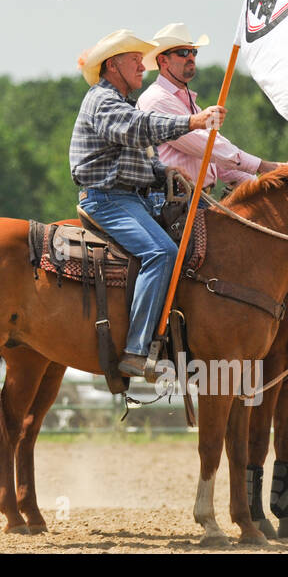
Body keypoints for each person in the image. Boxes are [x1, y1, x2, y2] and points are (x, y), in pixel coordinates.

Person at [69, 30, 225, 378]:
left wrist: (164, 172)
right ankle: (137, 350)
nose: (143, 66)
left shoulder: (117, 101)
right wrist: (193, 122)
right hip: (109, 200)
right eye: (135, 60)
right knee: (162, 252)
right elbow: (138, 129)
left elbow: (136, 155)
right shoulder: (104, 101)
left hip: (127, 197)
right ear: (113, 65)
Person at [138, 23, 279, 188]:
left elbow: (216, 156)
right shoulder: (156, 100)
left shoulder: (186, 102)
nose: (191, 57)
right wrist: (262, 166)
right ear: (163, 60)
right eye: (183, 52)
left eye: (193, 52)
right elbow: (207, 147)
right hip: (174, 201)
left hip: (194, 198)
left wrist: (257, 184)